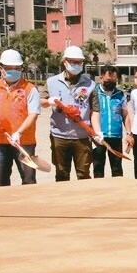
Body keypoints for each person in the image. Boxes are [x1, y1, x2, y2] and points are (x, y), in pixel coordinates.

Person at [0, 49, 40, 187]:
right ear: (1, 68)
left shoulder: (30, 89)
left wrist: (19, 132)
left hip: (24, 141)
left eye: (17, 68)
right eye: (9, 68)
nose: (14, 70)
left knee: (28, 179)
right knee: (1, 181)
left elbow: (33, 114)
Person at [45, 45, 95, 181]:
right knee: (62, 173)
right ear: (65, 61)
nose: (76, 64)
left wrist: (97, 131)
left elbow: (95, 111)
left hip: (82, 137)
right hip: (59, 136)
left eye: (79, 62)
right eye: (72, 61)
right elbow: (40, 102)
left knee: (83, 174)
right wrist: (49, 101)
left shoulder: (90, 84)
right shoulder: (52, 82)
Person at [91, 65, 128, 179]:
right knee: (98, 167)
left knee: (117, 168)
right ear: (101, 78)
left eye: (114, 80)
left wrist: (129, 133)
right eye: (108, 80)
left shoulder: (120, 95)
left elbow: (125, 115)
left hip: (116, 137)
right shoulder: (94, 93)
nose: (111, 83)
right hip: (99, 137)